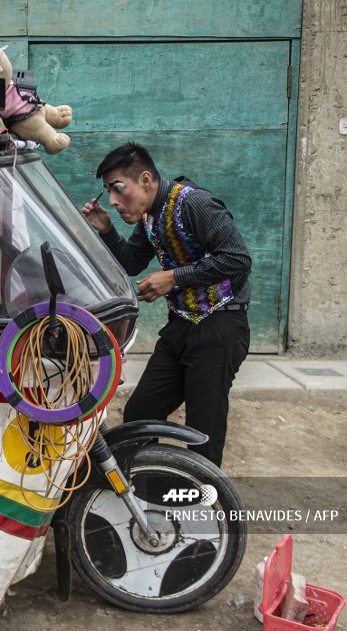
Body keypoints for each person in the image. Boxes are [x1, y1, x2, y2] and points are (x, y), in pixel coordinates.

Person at [82, 142, 251, 468]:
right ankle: (145, 500)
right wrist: (106, 230)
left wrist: (173, 277)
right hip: (180, 328)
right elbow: (132, 262)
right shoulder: (150, 216)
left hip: (219, 329)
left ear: (145, 180)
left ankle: (208, 511)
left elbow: (237, 258)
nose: (114, 200)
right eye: (108, 192)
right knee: (139, 414)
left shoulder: (195, 203)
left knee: (205, 429)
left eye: (118, 188)